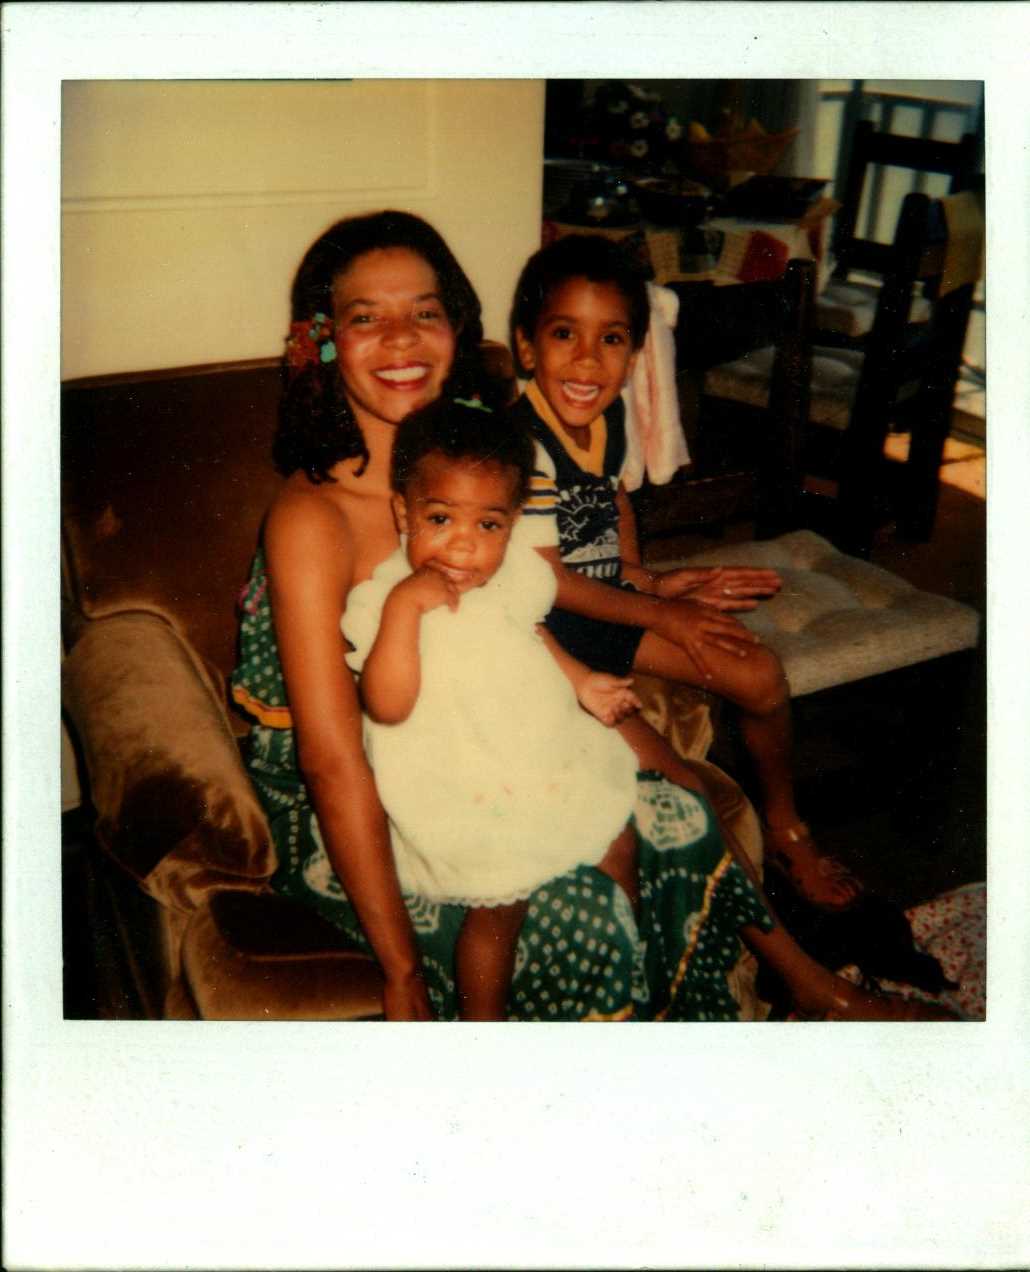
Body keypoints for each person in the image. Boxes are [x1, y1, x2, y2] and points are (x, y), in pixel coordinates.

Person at [231, 208, 945, 1021]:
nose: (400, 339)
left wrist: (631, 619)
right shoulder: (311, 516)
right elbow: (332, 761)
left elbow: (534, 590)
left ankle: (820, 992)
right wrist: (399, 971)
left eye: (423, 312)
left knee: (677, 812)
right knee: (572, 908)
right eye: (366, 318)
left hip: (496, 735)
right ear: (325, 338)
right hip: (390, 787)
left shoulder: (477, 455)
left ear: (457, 328)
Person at [508, 234, 860, 912]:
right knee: (695, 746)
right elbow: (545, 583)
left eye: (611, 339)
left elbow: (613, 501)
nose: (588, 358)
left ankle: (787, 827)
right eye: (563, 334)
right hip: (543, 629)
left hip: (605, 606)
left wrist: (645, 576)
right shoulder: (523, 446)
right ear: (526, 347)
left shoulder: (605, 413)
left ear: (635, 351)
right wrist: (662, 612)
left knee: (759, 673)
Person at [344, 397, 642, 1019]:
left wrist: (582, 679)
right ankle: (483, 1029)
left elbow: (532, 633)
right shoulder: (383, 597)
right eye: (441, 518)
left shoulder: (505, 581)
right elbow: (387, 705)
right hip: (456, 777)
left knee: (616, 827)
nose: (463, 547)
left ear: (512, 524)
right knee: (498, 906)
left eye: (489, 526)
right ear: (404, 512)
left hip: (525, 747)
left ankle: (628, 961)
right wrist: (406, 609)